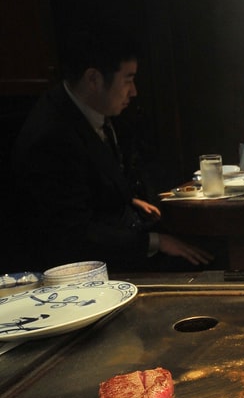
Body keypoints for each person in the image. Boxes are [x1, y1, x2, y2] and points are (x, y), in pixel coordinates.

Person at [11, 27, 215, 273]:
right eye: (128, 80)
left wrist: (127, 200)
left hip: (115, 241)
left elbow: (94, 184)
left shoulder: (88, 108)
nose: (134, 91)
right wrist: (156, 242)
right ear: (93, 79)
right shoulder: (52, 135)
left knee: (205, 249)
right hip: (82, 270)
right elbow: (71, 234)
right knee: (205, 262)